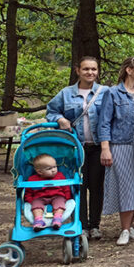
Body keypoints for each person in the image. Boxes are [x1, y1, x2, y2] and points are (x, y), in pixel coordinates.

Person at [46, 56, 107, 240]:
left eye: (93, 69)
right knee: (78, 186)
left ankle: (95, 225)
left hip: (97, 147)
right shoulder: (66, 94)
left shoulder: (105, 92)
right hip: (75, 148)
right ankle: (81, 225)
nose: (90, 72)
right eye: (86, 69)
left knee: (96, 187)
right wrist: (60, 119)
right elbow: (51, 111)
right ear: (78, 70)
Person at [98, 57, 134, 245]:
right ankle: (124, 230)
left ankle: (129, 226)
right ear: (129, 70)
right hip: (121, 144)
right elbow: (104, 122)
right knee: (125, 186)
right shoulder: (112, 93)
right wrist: (105, 148)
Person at [27, 154, 73, 230]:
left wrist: (67, 197)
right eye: (49, 168)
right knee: (36, 206)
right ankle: (38, 220)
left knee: (60, 204)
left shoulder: (60, 176)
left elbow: (66, 188)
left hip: (57, 196)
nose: (53, 170)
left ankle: (57, 219)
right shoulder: (32, 179)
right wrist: (30, 201)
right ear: (39, 171)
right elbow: (28, 192)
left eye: (55, 167)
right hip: (39, 197)